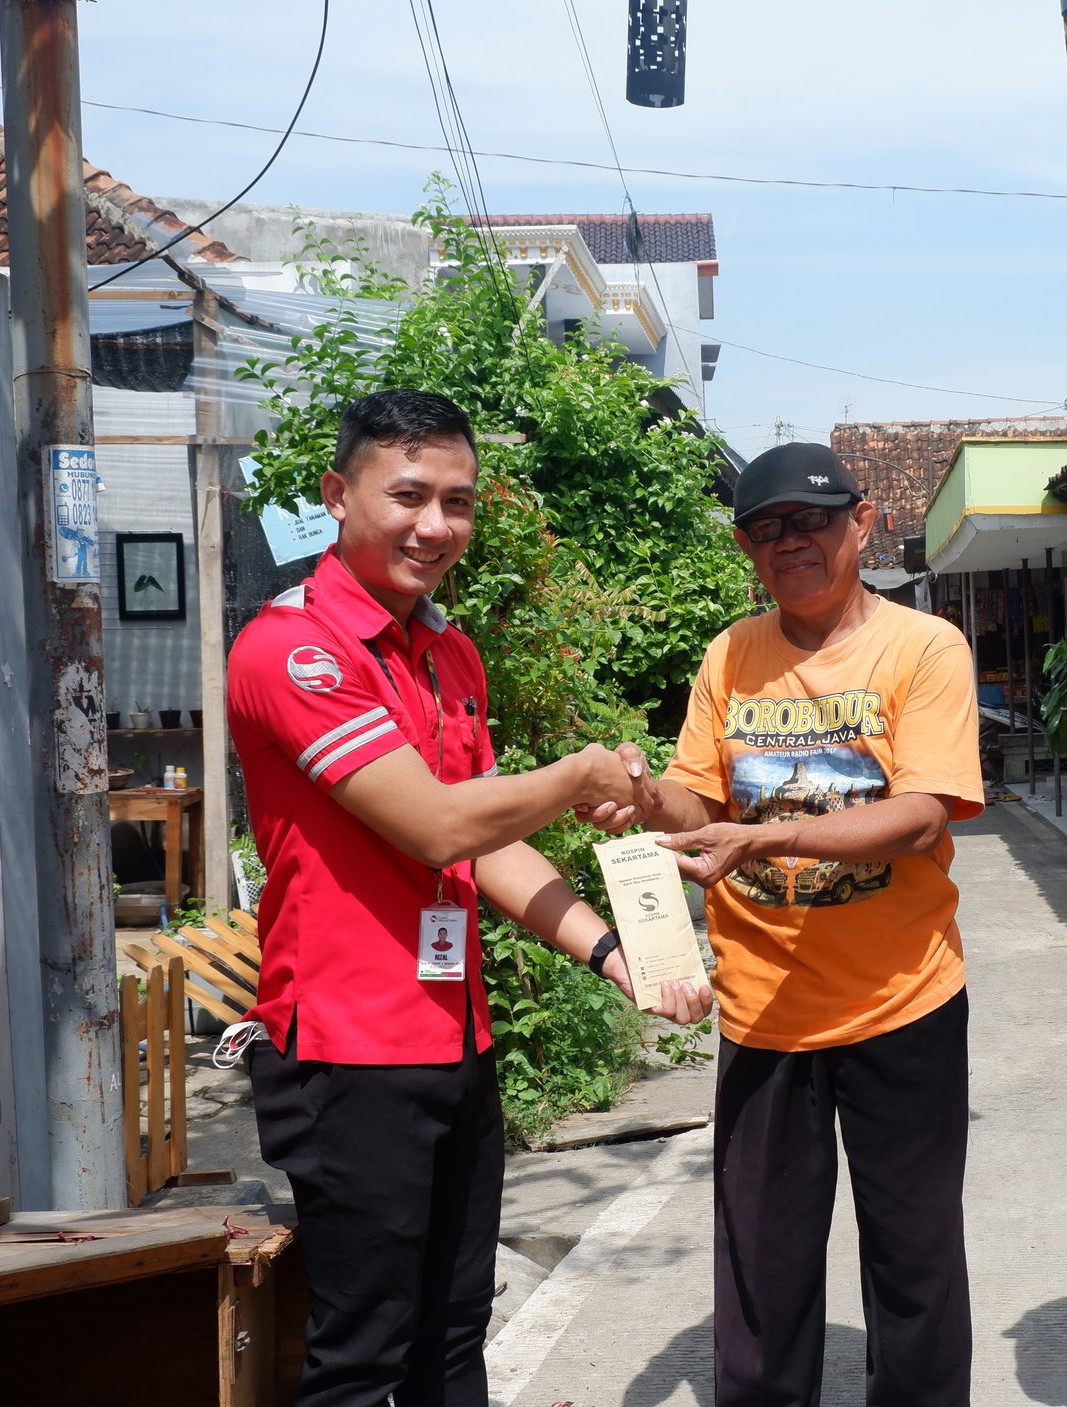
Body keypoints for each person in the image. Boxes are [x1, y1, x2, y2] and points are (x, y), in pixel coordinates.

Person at [227, 388, 711, 1405]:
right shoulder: (295, 650)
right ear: (338, 495)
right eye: (408, 495)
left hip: (455, 1043)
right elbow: (438, 824)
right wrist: (579, 776)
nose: (435, 525)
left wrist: (608, 951)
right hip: (348, 1057)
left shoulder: (449, 655)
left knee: (454, 1337)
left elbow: (484, 852)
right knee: (363, 1353)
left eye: (458, 501)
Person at [583, 442, 985, 1407]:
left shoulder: (924, 647)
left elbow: (925, 811)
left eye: (810, 520)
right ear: (746, 545)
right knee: (762, 1271)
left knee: (914, 1263)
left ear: (861, 523)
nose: (789, 540)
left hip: (904, 1003)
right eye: (767, 528)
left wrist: (767, 839)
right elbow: (696, 803)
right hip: (762, 1010)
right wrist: (645, 799)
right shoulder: (732, 653)